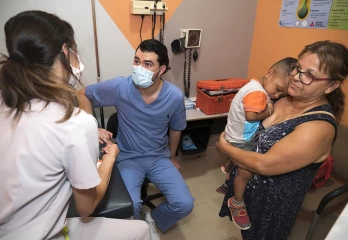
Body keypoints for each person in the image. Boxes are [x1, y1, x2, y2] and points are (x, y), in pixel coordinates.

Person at [0, 11, 150, 240]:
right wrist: (111, 155)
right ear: (64, 51)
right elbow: (86, 208)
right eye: (137, 61)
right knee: (140, 230)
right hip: (42, 233)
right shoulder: (75, 122)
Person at [216, 40, 348, 240]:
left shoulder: (318, 127)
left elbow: (265, 164)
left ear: (331, 86)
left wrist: (226, 148)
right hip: (247, 189)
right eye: (297, 68)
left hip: (272, 204)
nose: (295, 77)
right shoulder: (282, 97)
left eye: (309, 75)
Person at [78, 39, 194, 240]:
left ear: (161, 69)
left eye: (148, 64)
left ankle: (153, 218)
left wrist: (173, 157)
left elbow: (176, 129)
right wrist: (92, 125)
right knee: (129, 206)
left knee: (184, 204)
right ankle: (138, 230)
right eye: (136, 61)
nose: (139, 67)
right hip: (127, 157)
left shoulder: (174, 96)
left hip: (159, 158)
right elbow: (82, 94)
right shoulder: (121, 87)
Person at [215, 57, 297, 230]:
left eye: (281, 95)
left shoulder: (253, 86)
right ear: (269, 74)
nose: (276, 95)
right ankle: (236, 203)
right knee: (246, 173)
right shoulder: (257, 93)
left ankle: (229, 169)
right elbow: (251, 116)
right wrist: (269, 111)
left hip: (236, 134)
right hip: (240, 139)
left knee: (240, 163)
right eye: (278, 89)